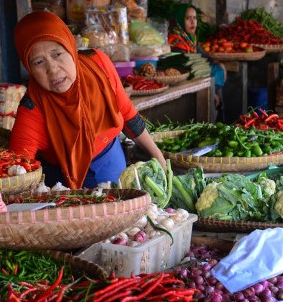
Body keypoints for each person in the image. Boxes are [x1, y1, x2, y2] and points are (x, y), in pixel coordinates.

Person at [10, 11, 166, 190]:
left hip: (112, 162)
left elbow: (128, 115)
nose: (53, 70)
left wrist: (159, 158)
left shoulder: (98, 64)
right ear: (29, 68)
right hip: (63, 186)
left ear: (70, 48)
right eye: (39, 62)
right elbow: (17, 172)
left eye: (57, 54)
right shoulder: (31, 109)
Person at [167, 3, 227, 119]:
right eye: (187, 18)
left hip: (195, 73)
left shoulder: (191, 38)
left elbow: (204, 55)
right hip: (185, 76)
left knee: (218, 68)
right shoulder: (176, 41)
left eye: (194, 18)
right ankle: (214, 99)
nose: (192, 22)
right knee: (215, 72)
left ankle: (216, 103)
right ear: (180, 19)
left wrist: (216, 62)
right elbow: (186, 66)